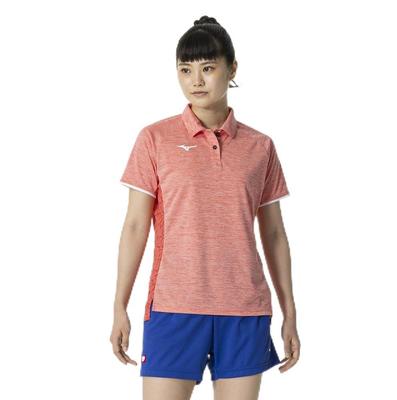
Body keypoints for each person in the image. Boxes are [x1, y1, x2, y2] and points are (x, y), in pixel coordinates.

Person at [110, 15, 300, 400]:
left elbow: (274, 234)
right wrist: (119, 305)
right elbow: (135, 226)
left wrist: (290, 311)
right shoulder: (154, 139)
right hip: (173, 307)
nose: (196, 80)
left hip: (244, 309)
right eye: (186, 69)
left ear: (232, 69)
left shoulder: (260, 147)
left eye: (208, 68)